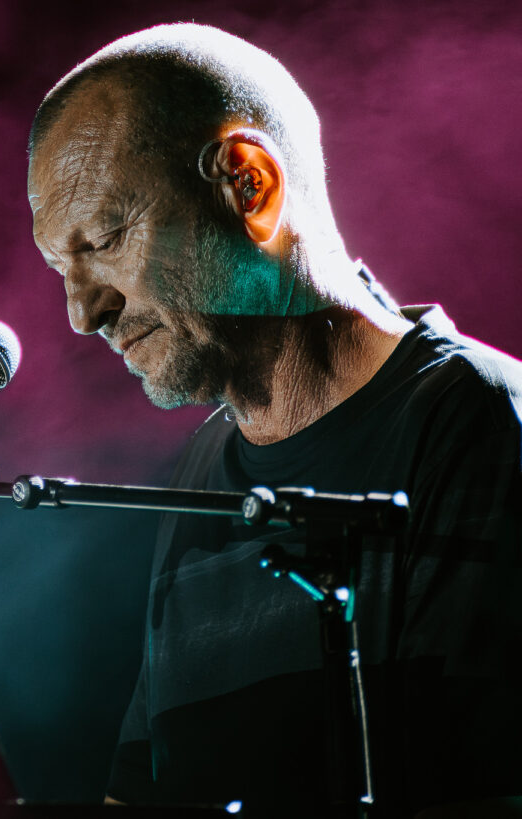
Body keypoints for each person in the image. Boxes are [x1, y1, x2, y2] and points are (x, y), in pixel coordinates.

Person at [26, 23, 522, 819]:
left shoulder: (483, 421)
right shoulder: (200, 477)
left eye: (106, 239)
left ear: (248, 184)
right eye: (62, 269)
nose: (84, 313)